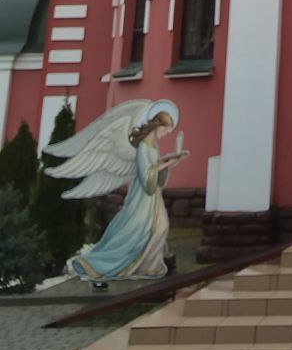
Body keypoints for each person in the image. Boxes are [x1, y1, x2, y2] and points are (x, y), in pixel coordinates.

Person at [45, 99, 189, 280]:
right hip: (143, 196)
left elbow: (154, 167)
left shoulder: (153, 145)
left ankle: (148, 266)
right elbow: (145, 173)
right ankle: (103, 263)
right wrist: (166, 163)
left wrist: (170, 161)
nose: (166, 133)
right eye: (166, 129)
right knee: (139, 231)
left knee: (160, 228)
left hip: (152, 195)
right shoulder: (143, 146)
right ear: (157, 126)